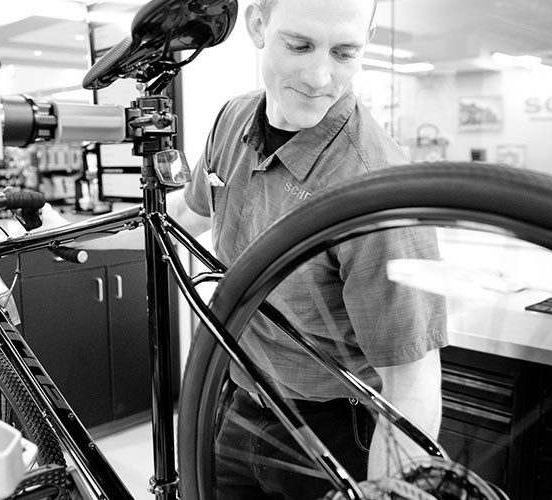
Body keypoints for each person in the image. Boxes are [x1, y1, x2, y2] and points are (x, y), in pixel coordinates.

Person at [167, 0, 448, 498]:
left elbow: (412, 382)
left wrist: (388, 491)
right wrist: (84, 232)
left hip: (333, 433)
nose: (320, 77)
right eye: (299, 45)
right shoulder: (233, 120)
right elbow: (189, 213)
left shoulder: (375, 185)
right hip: (241, 403)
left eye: (345, 53)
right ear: (257, 25)